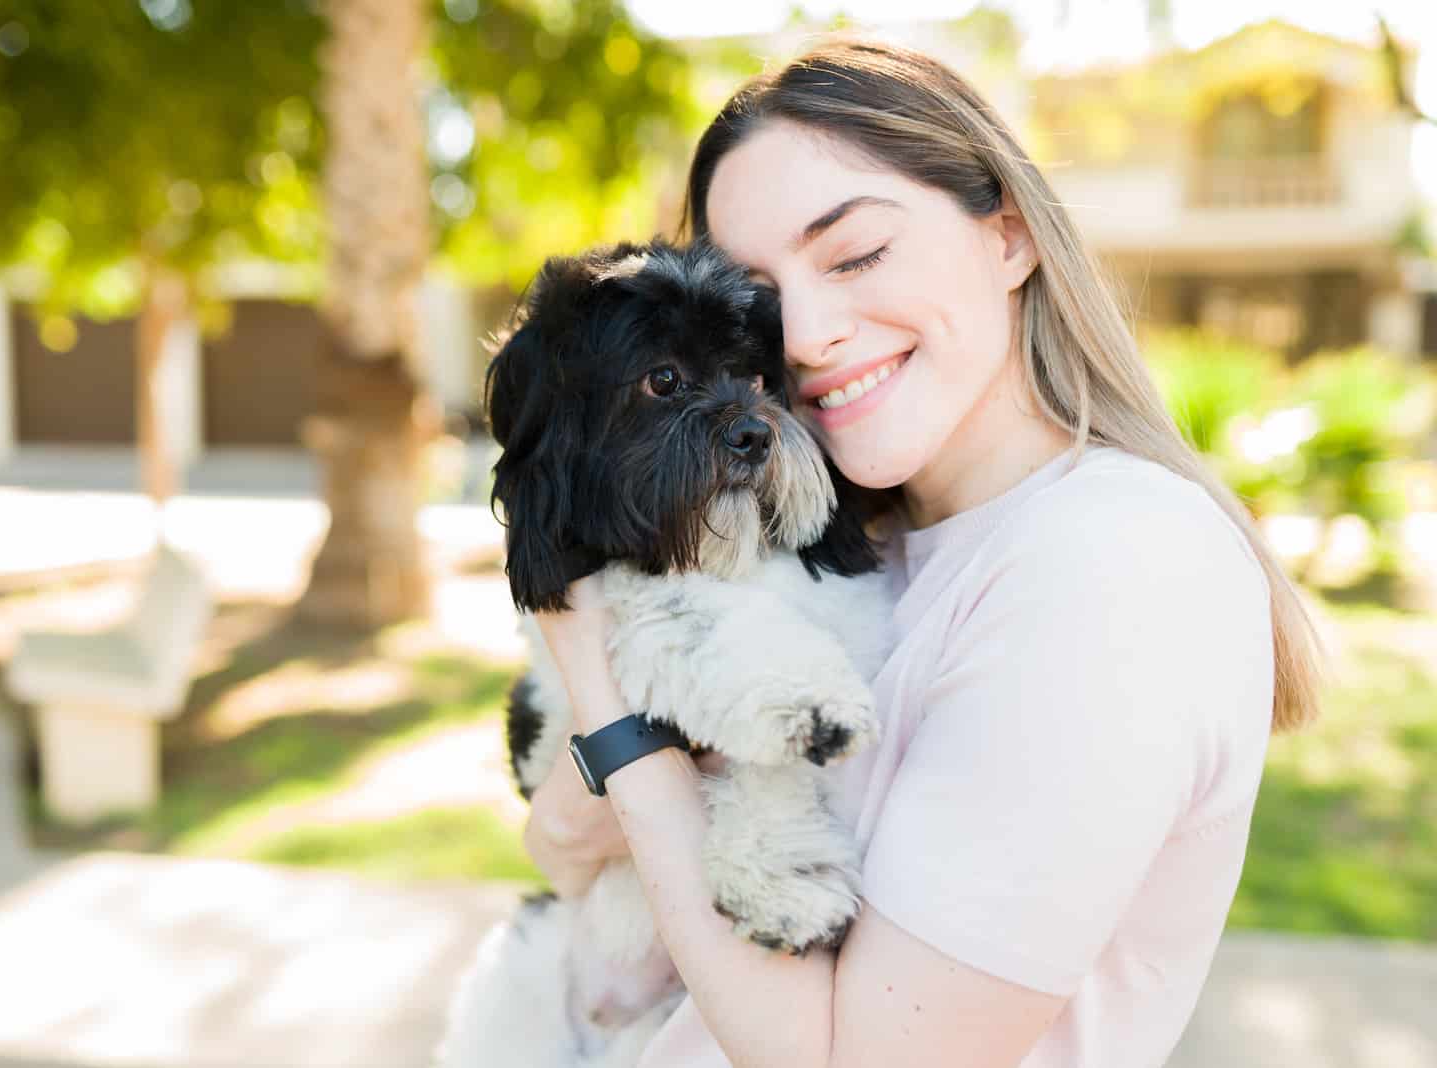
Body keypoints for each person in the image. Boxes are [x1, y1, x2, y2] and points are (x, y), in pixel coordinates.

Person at [522, 37, 1322, 1068]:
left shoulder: (1113, 570)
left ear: (1011, 237)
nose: (803, 336)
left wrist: (607, 698)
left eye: (855, 254)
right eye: (761, 302)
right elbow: (557, 849)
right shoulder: (840, 546)